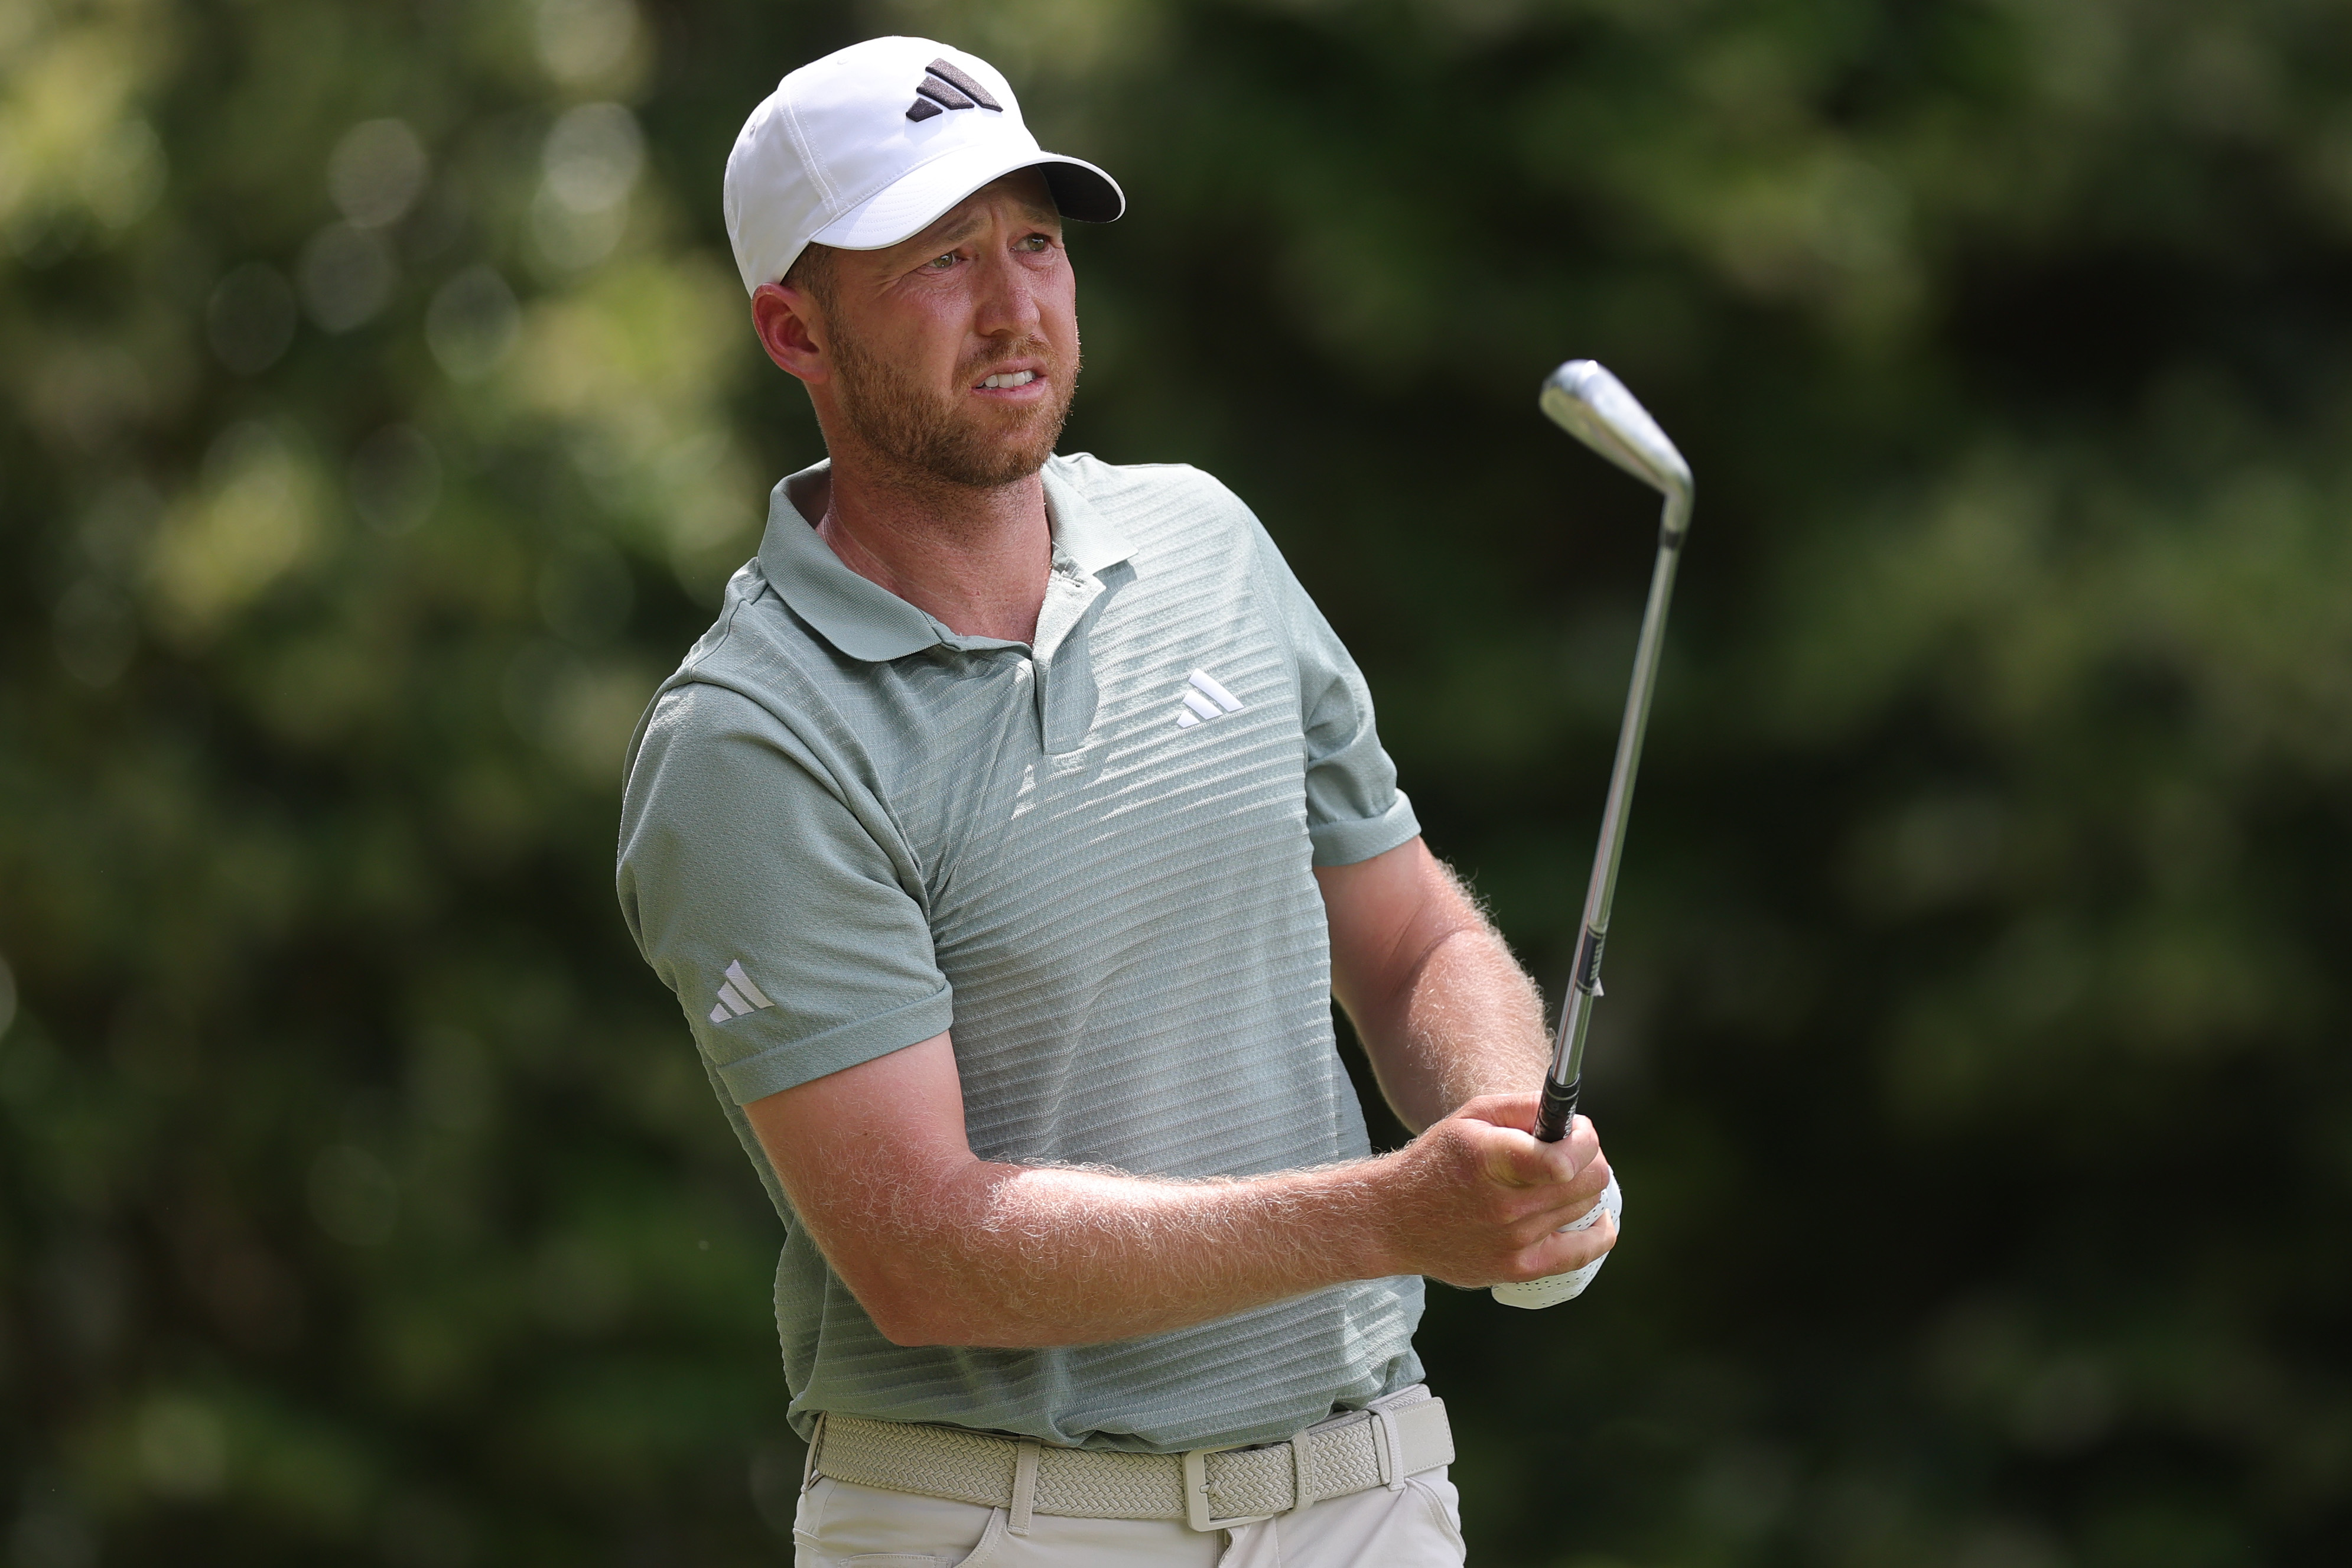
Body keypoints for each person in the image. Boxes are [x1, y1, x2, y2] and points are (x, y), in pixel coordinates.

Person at [614, 35, 1618, 1567]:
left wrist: (1502, 1136)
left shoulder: (1206, 539)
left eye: (1036, 241)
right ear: (791, 328)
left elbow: (1408, 932)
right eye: (940, 261)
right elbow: (929, 1257)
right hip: (1003, 1525)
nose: (1016, 305)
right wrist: (1392, 1216)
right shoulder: (750, 742)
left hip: (1368, 1497)